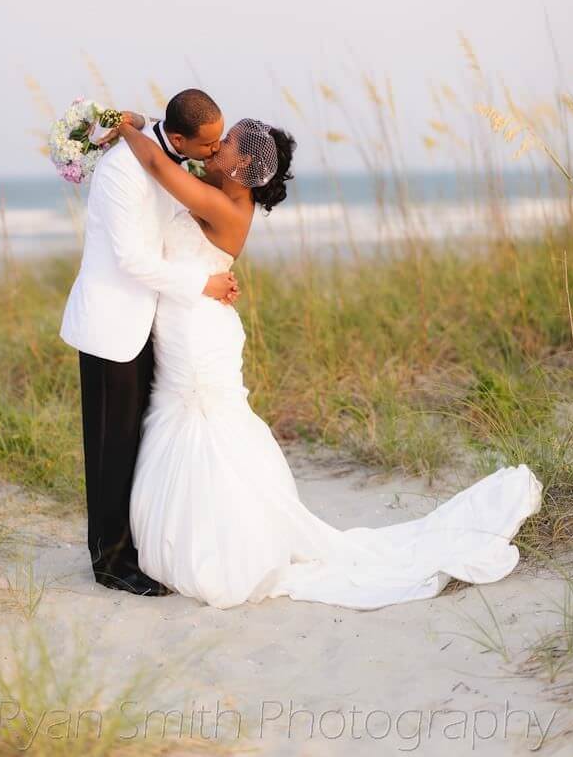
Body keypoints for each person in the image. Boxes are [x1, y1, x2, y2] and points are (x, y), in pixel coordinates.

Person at [104, 114, 543, 611]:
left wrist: (124, 127)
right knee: (187, 419)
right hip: (185, 321)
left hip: (199, 332)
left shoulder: (228, 204)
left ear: (244, 163)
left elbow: (161, 168)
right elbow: (168, 173)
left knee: (206, 421)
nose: (217, 146)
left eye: (225, 143)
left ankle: (223, 546)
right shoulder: (213, 184)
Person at [59, 89, 241, 595]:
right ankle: (111, 564)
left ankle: (128, 548)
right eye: (207, 146)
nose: (213, 153)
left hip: (149, 321)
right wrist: (202, 284)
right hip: (110, 322)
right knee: (110, 447)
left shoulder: (167, 152)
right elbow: (132, 261)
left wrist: (132, 119)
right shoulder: (122, 172)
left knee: (133, 444)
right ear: (179, 137)